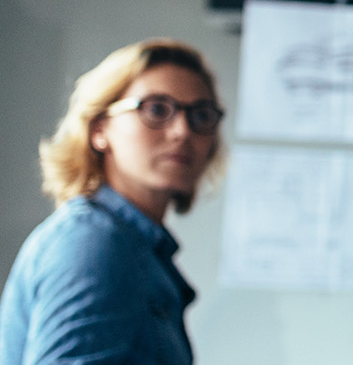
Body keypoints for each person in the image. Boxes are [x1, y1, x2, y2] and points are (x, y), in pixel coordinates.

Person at [1, 38, 226, 365]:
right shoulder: (94, 242)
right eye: (156, 109)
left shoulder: (134, 247)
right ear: (99, 129)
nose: (182, 131)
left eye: (201, 116)